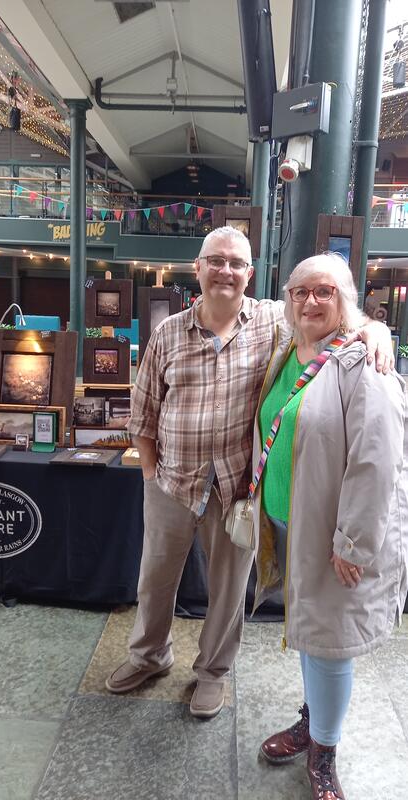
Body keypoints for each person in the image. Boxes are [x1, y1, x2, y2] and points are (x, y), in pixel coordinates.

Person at [105, 226, 394, 720]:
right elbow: (144, 409)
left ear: (250, 274)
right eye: (215, 261)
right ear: (196, 269)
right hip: (173, 482)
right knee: (154, 580)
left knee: (228, 588)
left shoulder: (271, 322)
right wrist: (151, 471)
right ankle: (148, 657)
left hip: (237, 488)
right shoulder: (168, 332)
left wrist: (376, 329)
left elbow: (328, 315)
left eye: (236, 263)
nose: (225, 270)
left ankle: (212, 673)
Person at [251, 253, 407, 800]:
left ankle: (324, 751)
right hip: (288, 521)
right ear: (287, 300)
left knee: (329, 645)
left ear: (348, 301)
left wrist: (355, 544)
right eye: (301, 292)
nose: (311, 302)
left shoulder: (364, 364)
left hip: (333, 535)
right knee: (313, 633)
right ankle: (312, 719)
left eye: (326, 292)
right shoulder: (287, 348)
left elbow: (378, 462)